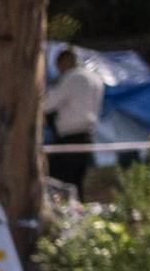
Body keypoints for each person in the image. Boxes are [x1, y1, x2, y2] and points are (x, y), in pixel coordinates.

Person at [44, 48, 105, 193]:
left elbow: (49, 103)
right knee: (77, 182)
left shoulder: (72, 77)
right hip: (87, 136)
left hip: (69, 137)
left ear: (65, 62)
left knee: (60, 181)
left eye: (59, 67)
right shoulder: (95, 78)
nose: (59, 71)